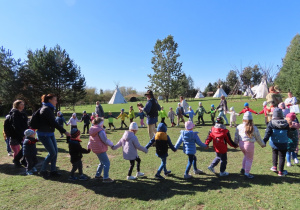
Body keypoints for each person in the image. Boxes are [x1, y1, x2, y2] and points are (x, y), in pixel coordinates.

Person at [38, 94, 70, 179]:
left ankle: (53, 171)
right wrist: (64, 131)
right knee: (52, 153)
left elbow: (52, 123)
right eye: (55, 100)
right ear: (50, 100)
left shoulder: (50, 109)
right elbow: (53, 123)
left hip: (50, 133)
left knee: (55, 152)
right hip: (44, 134)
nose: (56, 101)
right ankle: (43, 170)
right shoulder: (46, 109)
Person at [234, 112, 266, 178]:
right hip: (249, 145)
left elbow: (236, 136)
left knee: (246, 156)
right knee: (249, 159)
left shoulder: (239, 126)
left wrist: (235, 143)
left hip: (241, 144)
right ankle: (247, 173)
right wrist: (262, 144)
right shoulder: (254, 128)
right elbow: (258, 137)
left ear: (243, 119)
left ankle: (243, 169)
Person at [263, 108, 289, 176]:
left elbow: (267, 133)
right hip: (283, 142)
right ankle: (280, 172)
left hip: (274, 142)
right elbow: (289, 132)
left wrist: (264, 141)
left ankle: (274, 167)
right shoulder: (286, 122)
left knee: (274, 153)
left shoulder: (271, 123)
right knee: (282, 157)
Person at [88, 117, 114, 183]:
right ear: (101, 123)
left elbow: (90, 140)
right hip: (100, 149)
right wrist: (111, 144)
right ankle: (106, 178)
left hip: (96, 148)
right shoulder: (100, 131)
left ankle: (97, 175)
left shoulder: (92, 129)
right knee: (106, 163)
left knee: (102, 162)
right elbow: (105, 140)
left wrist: (89, 147)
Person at [9, 100, 28, 167]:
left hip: (24, 132)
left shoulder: (22, 113)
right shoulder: (15, 113)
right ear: (17, 105)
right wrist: (22, 135)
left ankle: (23, 160)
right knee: (25, 146)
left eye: (23, 104)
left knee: (26, 146)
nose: (23, 106)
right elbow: (16, 125)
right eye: (21, 104)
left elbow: (25, 123)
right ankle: (17, 160)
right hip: (18, 134)